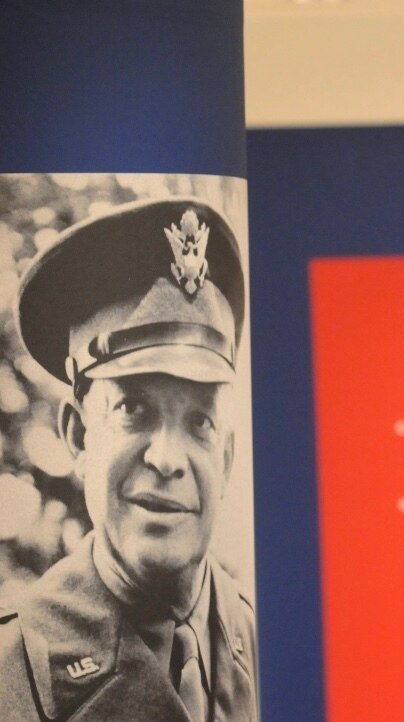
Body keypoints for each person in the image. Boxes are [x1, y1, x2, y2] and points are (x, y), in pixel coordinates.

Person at [0, 198, 257, 721]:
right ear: (77, 436)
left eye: (199, 422)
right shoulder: (14, 671)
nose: (166, 459)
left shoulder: (268, 639)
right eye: (133, 409)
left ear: (226, 459)